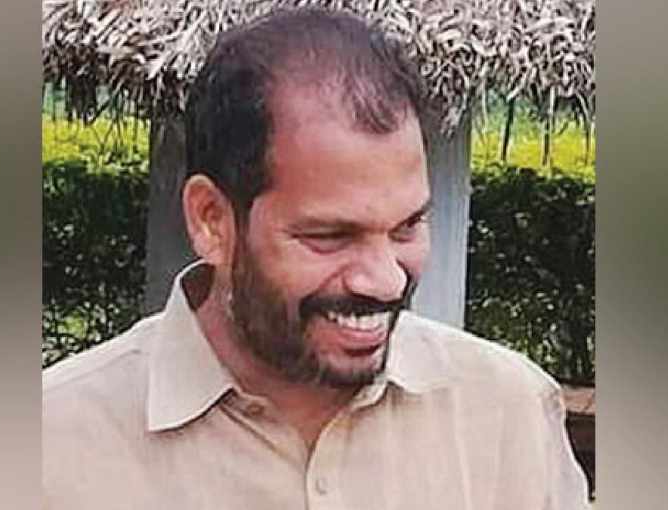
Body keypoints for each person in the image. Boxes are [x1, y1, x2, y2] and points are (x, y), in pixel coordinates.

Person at [42, 8, 590, 509]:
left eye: (407, 227)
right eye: (330, 237)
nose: (384, 280)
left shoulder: (508, 414)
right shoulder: (51, 446)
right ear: (212, 220)